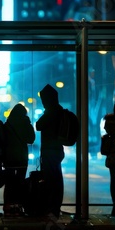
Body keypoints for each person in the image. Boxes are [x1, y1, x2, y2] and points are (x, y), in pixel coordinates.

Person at [36, 84, 65, 218]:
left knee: (50, 179)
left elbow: (39, 125)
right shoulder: (59, 111)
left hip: (50, 150)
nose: (42, 103)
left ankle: (51, 208)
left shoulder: (51, 112)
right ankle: (55, 207)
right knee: (57, 178)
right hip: (57, 149)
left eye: (43, 100)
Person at [3, 103, 35, 217]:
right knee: (20, 183)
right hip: (21, 158)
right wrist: (28, 123)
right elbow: (31, 139)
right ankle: (18, 207)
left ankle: (7, 207)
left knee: (9, 183)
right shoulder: (25, 123)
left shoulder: (7, 124)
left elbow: (3, 142)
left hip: (9, 159)